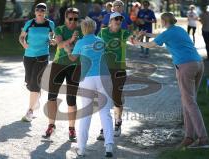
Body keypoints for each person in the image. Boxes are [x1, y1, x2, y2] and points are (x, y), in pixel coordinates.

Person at [133, 12, 209, 149]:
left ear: (163, 21)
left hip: (186, 66)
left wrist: (137, 42)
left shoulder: (168, 33)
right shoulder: (178, 30)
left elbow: (151, 45)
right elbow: (160, 37)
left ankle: (204, 139)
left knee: (190, 103)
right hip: (198, 64)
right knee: (189, 101)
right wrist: (147, 35)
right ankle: (189, 137)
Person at [66, 17, 114, 158]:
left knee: (86, 114)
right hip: (103, 77)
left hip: (87, 79)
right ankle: (109, 146)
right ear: (94, 27)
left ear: (83, 28)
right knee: (105, 113)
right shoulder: (101, 41)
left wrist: (69, 49)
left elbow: (73, 58)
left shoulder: (80, 42)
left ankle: (81, 148)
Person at [97, 12, 142, 140]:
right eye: (116, 19)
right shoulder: (102, 32)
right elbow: (96, 45)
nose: (118, 21)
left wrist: (137, 38)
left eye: (120, 20)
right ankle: (105, 127)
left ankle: (117, 123)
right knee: (104, 98)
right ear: (110, 21)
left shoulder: (124, 33)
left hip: (119, 70)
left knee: (116, 98)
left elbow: (132, 40)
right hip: (105, 69)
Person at [42, 8, 82, 142]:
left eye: (75, 19)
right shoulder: (59, 29)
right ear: (65, 18)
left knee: (72, 99)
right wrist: (71, 39)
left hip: (75, 66)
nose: (72, 21)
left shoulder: (82, 30)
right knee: (51, 97)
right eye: (70, 18)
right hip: (58, 65)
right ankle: (51, 125)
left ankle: (71, 129)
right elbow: (59, 45)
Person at [19, 3, 55, 122]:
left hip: (43, 56)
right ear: (35, 12)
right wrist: (23, 43)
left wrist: (52, 41)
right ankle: (36, 98)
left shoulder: (50, 24)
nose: (40, 12)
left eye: (43, 10)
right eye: (38, 10)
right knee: (29, 83)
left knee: (34, 83)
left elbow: (52, 37)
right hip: (28, 56)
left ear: (45, 12)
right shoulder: (29, 23)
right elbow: (21, 37)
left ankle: (30, 111)